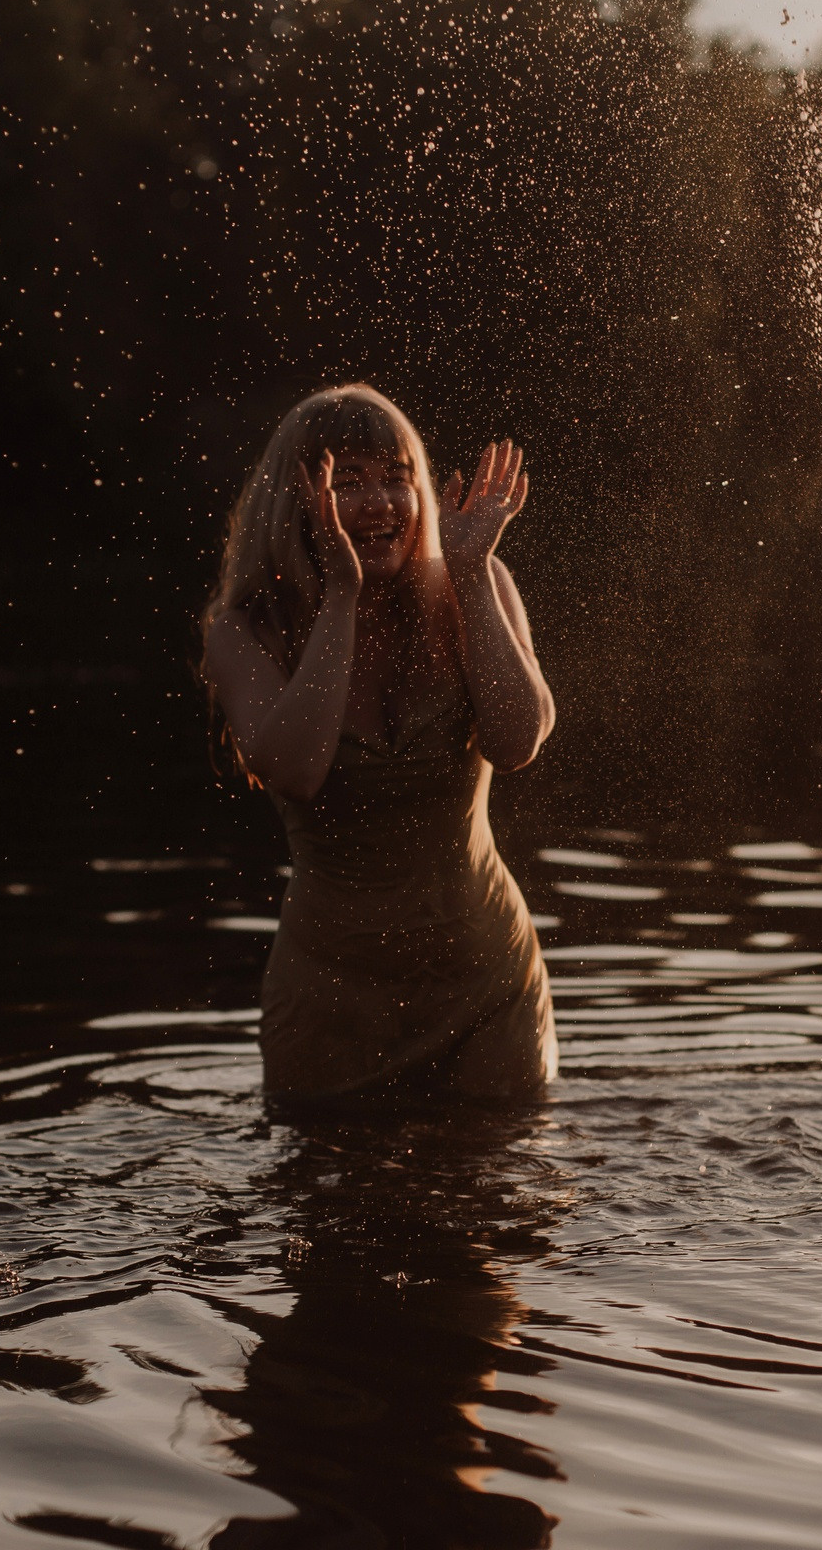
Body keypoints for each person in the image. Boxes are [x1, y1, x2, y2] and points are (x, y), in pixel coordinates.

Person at [203, 386, 557, 1109]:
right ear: (294, 499)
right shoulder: (247, 629)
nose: (380, 503)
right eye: (348, 481)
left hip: (488, 987)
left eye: (396, 477)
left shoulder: (474, 583)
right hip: (333, 1002)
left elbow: (518, 741)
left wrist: (468, 572)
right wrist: (340, 598)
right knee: (329, 1209)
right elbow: (297, 772)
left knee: (503, 1205)